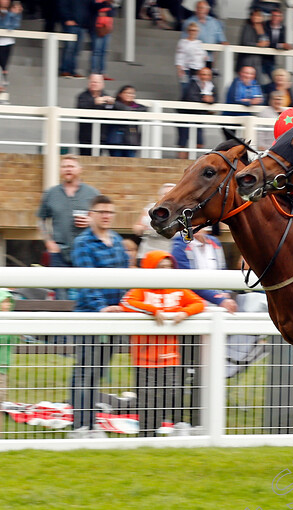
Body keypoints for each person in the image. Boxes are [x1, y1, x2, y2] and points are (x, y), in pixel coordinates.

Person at [119, 250, 205, 436]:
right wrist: (152, 310)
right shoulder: (141, 289)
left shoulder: (178, 289)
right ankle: (147, 434)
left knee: (169, 394)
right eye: (161, 267)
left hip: (170, 357)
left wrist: (185, 312)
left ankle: (159, 428)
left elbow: (199, 304)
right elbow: (126, 303)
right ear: (151, 268)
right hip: (144, 358)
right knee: (146, 398)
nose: (166, 271)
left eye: (169, 267)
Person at [69, 195, 131, 437]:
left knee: (98, 372)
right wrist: (101, 308)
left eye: (109, 211)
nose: (106, 215)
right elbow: (86, 280)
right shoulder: (83, 243)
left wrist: (123, 305)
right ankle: (80, 426)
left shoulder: (116, 241)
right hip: (91, 316)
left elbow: (125, 276)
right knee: (84, 370)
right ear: (91, 214)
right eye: (101, 211)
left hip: (115, 317)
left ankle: (91, 423)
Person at [170, 229, 237, 428]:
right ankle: (177, 421)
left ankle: (201, 422)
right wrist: (220, 299)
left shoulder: (215, 243)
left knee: (206, 371)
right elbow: (189, 282)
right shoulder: (180, 244)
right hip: (190, 315)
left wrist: (224, 297)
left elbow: (223, 274)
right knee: (182, 370)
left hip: (214, 317)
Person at [37, 155, 101, 299]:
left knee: (86, 293)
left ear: (79, 170)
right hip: (59, 253)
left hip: (86, 251)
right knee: (60, 296)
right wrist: (48, 242)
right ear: (60, 170)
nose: (68, 169)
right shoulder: (51, 194)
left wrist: (90, 221)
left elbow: (103, 220)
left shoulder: (92, 193)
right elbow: (41, 220)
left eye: (71, 166)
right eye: (64, 166)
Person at [177, 66, 215, 158]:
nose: (205, 77)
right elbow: (191, 97)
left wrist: (210, 99)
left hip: (198, 117)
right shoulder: (191, 84)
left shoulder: (212, 86)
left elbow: (215, 98)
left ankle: (188, 159)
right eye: (203, 74)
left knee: (199, 143)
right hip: (184, 116)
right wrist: (205, 99)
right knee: (183, 143)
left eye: (207, 75)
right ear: (198, 75)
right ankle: (182, 160)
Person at [134, 182, 176, 264]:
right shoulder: (150, 208)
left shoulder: (180, 212)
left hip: (168, 258)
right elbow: (136, 228)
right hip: (147, 255)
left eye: (171, 193)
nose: (167, 196)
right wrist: (141, 229)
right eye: (165, 194)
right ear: (159, 196)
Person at [76, 74, 115, 155]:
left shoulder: (106, 97)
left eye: (96, 82)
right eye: (92, 82)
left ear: (102, 84)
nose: (94, 84)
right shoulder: (82, 96)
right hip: (85, 135)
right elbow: (81, 107)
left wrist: (112, 103)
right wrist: (94, 102)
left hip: (102, 134)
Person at [181, 1, 227, 69]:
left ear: (207, 10)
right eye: (198, 8)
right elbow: (184, 41)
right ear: (195, 9)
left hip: (209, 59)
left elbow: (222, 40)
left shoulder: (214, 22)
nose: (200, 10)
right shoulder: (189, 22)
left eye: (202, 8)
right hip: (193, 60)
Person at [107, 85, 147, 157]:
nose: (130, 95)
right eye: (127, 93)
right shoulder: (113, 106)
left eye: (132, 93)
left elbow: (143, 109)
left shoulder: (138, 107)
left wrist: (115, 103)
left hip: (131, 139)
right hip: (116, 139)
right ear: (120, 94)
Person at [0, 288, 19, 431]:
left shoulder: (10, 320)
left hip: (3, 366)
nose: (7, 305)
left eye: (8, 302)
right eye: (4, 302)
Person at [59, 0, 92, 78]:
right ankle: (65, 70)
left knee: (77, 50)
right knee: (69, 48)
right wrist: (67, 19)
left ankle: (72, 71)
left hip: (82, 25)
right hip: (71, 25)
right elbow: (62, 5)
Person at [175, 22, 207, 97]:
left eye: (195, 30)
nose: (193, 32)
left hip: (197, 70)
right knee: (185, 88)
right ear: (188, 31)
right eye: (191, 30)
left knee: (197, 89)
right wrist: (180, 69)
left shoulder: (199, 43)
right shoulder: (183, 42)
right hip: (186, 69)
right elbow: (179, 56)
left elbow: (203, 55)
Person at [237, 9, 270, 81]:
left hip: (257, 60)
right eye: (254, 15)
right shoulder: (246, 27)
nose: (256, 17)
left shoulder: (264, 28)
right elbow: (245, 42)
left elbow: (266, 42)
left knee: (258, 81)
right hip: (246, 59)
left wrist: (259, 28)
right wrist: (258, 44)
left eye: (258, 16)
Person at [0, 0, 22, 104]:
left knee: (4, 68)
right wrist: (11, 14)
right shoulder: (12, 13)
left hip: (7, 42)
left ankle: (2, 94)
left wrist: (12, 14)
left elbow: (13, 26)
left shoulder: (15, 12)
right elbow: (4, 26)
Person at [263, 8, 292, 80]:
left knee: (274, 79)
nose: (275, 18)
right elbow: (266, 42)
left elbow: (282, 41)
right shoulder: (264, 25)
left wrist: (285, 46)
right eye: (273, 15)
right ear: (270, 16)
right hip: (260, 57)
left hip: (272, 58)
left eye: (278, 16)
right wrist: (281, 45)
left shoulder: (283, 28)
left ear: (281, 18)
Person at [90, 0, 114, 80]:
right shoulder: (97, 2)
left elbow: (112, 13)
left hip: (107, 29)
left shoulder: (109, 4)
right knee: (97, 51)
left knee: (104, 51)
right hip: (97, 28)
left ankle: (102, 72)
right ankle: (94, 72)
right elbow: (94, 9)